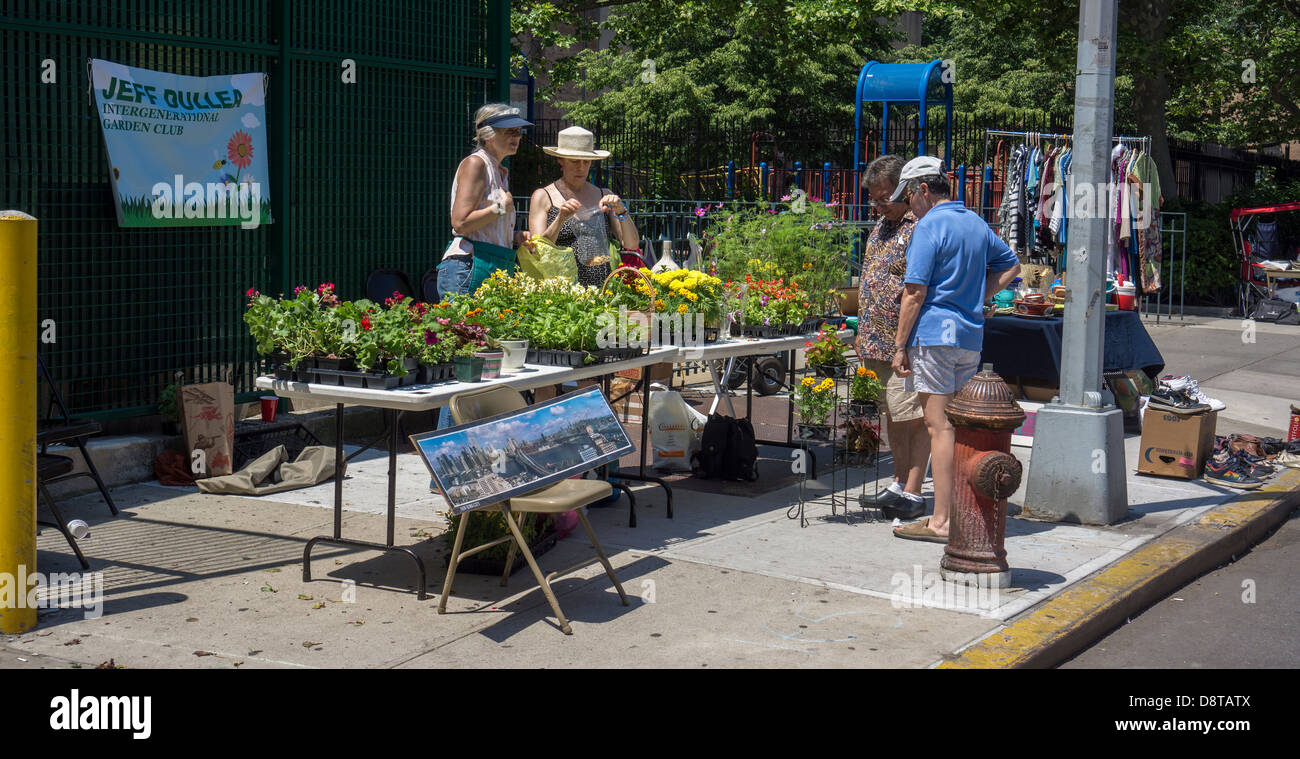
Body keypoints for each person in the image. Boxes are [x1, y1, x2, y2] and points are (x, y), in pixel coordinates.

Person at [888, 156, 1020, 543]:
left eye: (909, 197)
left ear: (923, 191)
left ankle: (942, 521)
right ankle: (958, 512)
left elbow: (914, 293)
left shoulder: (929, 227)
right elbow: (1011, 263)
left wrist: (899, 346)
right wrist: (979, 296)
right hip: (969, 338)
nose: (908, 206)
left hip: (934, 337)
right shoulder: (974, 221)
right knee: (959, 425)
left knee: (939, 427)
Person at [854, 155, 930, 520]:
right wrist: (860, 330)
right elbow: (870, 278)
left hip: (904, 344)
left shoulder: (920, 227)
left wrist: (901, 343)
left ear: (906, 189)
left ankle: (914, 491)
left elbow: (917, 289)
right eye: (873, 198)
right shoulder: (882, 226)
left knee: (912, 416)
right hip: (874, 339)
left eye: (883, 196)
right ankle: (898, 482)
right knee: (892, 414)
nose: (877, 204)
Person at [437, 103, 533, 302]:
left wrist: (515, 236)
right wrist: (500, 208)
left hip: (491, 264)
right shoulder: (476, 164)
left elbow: (485, 228)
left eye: (518, 132)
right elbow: (460, 223)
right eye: (510, 131)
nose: (517, 137)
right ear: (488, 135)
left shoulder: (499, 171)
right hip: (468, 266)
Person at [529, 126, 640, 287]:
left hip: (603, 288)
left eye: (586, 161)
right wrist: (560, 219)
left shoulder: (604, 194)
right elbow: (537, 250)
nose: (581, 167)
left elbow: (631, 244)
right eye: (574, 161)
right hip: (562, 290)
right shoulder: (543, 196)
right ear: (561, 160)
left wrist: (621, 210)